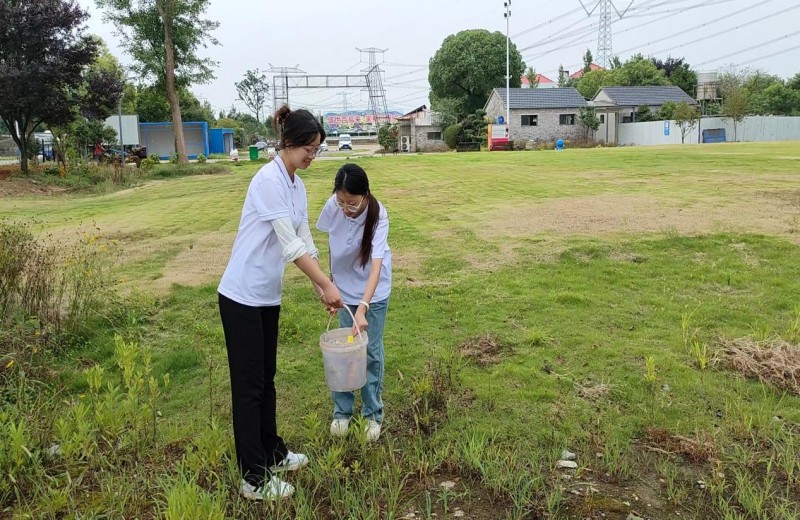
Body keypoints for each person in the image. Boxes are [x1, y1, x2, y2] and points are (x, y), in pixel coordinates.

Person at [218, 105, 342, 501]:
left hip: (266, 296)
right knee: (248, 387)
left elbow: (304, 237)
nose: (312, 156)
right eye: (308, 148)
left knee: (266, 380)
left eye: (317, 149)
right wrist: (324, 283)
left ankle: (272, 453)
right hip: (240, 296)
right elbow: (289, 245)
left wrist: (322, 286)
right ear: (288, 143)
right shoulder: (267, 179)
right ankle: (252, 478)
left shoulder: (296, 185)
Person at [316, 163, 392, 443]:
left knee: (370, 350)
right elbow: (330, 246)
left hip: (374, 292)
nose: (346, 208)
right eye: (342, 202)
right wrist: (330, 284)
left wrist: (364, 307)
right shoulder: (332, 206)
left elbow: (375, 267)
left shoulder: (378, 214)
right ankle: (342, 412)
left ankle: (373, 414)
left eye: (353, 203)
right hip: (343, 289)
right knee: (344, 352)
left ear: (366, 195)